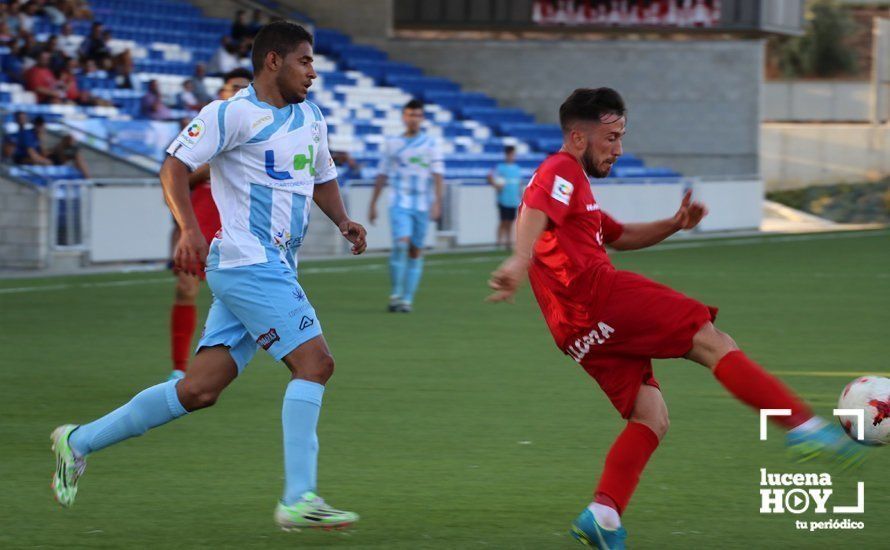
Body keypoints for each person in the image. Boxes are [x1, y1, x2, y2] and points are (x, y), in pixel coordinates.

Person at [486, 87, 866, 549]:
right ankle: (803, 426)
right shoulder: (560, 169)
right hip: (598, 296)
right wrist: (518, 261)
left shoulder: (577, 191)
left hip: (575, 332)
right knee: (711, 339)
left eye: (622, 137)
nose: (619, 149)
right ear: (579, 137)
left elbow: (619, 235)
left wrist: (674, 223)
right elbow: (535, 208)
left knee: (651, 415)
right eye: (612, 137)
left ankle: (602, 515)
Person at [51, 22, 367, 531]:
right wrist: (188, 230)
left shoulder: (310, 115)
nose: (313, 72)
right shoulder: (230, 114)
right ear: (273, 61)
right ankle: (299, 498)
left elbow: (322, 174)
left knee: (199, 389)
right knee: (315, 363)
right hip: (247, 259)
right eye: (305, 61)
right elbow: (173, 166)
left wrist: (343, 219)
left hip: (275, 262)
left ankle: (77, 441)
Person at [165, 68, 252, 382]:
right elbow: (175, 176)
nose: (238, 93)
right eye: (233, 88)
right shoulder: (207, 124)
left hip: (240, 223)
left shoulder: (261, 129)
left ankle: (216, 367)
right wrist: (210, 167)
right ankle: (178, 369)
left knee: (236, 301)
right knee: (186, 288)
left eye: (244, 87)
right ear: (223, 93)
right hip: (202, 218)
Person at [368, 99, 444, 313]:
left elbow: (438, 176)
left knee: (415, 251)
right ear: (404, 117)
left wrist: (438, 203)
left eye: (418, 115)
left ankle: (407, 299)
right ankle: (395, 294)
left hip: (422, 204)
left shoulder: (431, 144)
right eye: (410, 114)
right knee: (401, 244)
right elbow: (382, 174)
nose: (414, 119)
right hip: (399, 201)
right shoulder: (393, 143)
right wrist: (373, 203)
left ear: (422, 118)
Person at [487, 145, 522, 250]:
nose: (512, 156)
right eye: (511, 154)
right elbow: (489, 177)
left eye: (513, 155)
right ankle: (498, 242)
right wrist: (496, 185)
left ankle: (508, 242)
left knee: (511, 221)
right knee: (503, 221)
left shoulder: (517, 168)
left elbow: (519, 183)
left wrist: (520, 196)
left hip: (513, 200)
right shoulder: (500, 167)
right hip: (503, 199)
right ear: (506, 155)